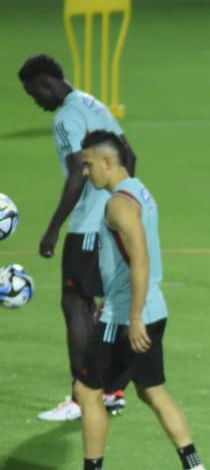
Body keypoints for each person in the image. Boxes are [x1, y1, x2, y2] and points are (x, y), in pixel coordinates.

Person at [47, 131, 210, 470]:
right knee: (152, 390)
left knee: (86, 391)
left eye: (88, 164)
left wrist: (132, 315)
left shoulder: (118, 206)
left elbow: (140, 258)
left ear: (108, 162)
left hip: (128, 319)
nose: (84, 173)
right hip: (151, 309)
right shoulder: (140, 190)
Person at [18, 54, 133, 421]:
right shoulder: (93, 104)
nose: (36, 101)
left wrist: (53, 227)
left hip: (88, 226)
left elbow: (77, 173)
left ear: (47, 83)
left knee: (76, 304)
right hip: (117, 218)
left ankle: (82, 396)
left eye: (35, 93)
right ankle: (111, 390)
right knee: (104, 305)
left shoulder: (67, 115)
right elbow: (130, 154)